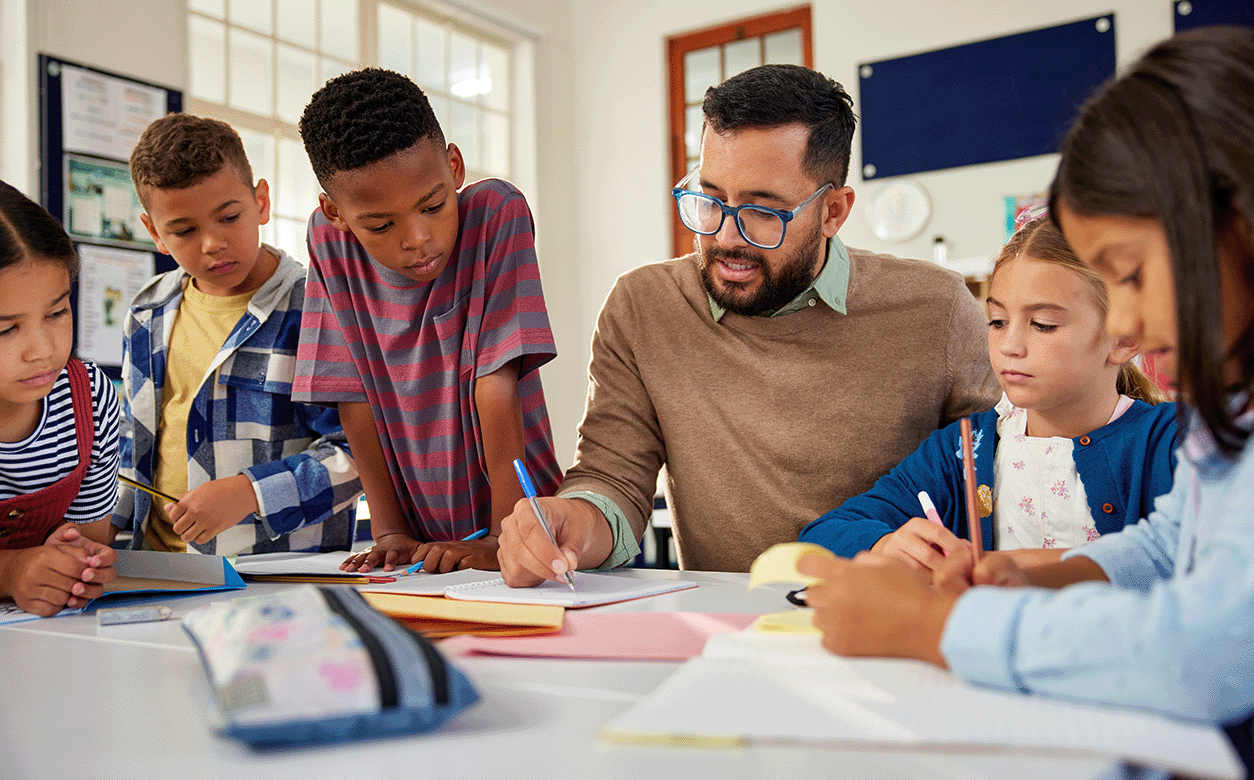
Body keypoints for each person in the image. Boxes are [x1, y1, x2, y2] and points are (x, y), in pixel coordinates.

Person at [798, 26, 1254, 769]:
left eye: (1132, 276)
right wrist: (1044, 572)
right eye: (999, 322)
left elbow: (1209, 652)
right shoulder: (1222, 416)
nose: (1130, 324)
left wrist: (938, 631)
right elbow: (1175, 539)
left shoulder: (1178, 426)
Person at [499, 64, 1000, 584]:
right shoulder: (643, 306)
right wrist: (569, 524)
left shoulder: (937, 309)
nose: (726, 237)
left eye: (763, 211)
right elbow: (613, 479)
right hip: (728, 631)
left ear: (833, 212)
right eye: (711, 199)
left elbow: (1008, 474)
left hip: (892, 617)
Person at [293, 68, 561, 574]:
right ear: (335, 213)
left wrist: (507, 535)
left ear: (454, 166)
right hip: (423, 547)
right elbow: (351, 394)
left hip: (531, 525)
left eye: (433, 206)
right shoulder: (330, 245)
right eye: (380, 224)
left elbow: (496, 382)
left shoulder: (494, 214)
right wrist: (390, 529)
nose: (417, 238)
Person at [798, 215, 1176, 573]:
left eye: (1043, 325)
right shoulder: (964, 448)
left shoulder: (1176, 442)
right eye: (997, 321)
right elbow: (823, 534)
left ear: (1125, 338)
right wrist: (882, 544)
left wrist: (1021, 567)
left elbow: (1199, 560)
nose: (1009, 345)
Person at [116, 113, 360, 556]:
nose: (212, 243)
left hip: (272, 581)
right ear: (154, 232)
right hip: (153, 568)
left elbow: (360, 455)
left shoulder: (316, 307)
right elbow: (132, 448)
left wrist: (251, 493)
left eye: (229, 217)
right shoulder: (145, 311)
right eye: (184, 230)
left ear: (261, 201)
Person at [0, 180, 119, 616]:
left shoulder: (88, 399)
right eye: (5, 329)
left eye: (56, 313)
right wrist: (12, 571)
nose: (43, 350)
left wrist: (78, 565)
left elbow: (91, 537)